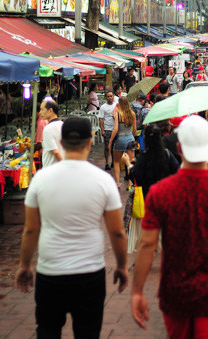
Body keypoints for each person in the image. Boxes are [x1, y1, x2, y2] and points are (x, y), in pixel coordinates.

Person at [130, 116, 208, 337]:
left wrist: (137, 291)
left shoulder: (161, 193)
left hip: (176, 291)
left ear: (179, 148)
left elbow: (147, 244)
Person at [15, 117, 127, 338]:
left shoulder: (41, 179)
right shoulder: (103, 181)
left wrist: (25, 264)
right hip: (89, 273)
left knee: (47, 329)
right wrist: (122, 265)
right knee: (87, 332)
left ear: (61, 142)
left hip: (50, 271)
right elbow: (116, 231)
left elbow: (30, 230)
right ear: (90, 141)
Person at [127, 125, 180, 253]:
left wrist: (129, 164)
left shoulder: (144, 157)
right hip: (166, 196)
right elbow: (178, 172)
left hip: (149, 198)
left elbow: (136, 177)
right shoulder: (167, 154)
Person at [109, 97, 137, 187]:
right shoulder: (132, 113)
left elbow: (116, 129)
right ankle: (130, 183)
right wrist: (131, 135)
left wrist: (110, 141)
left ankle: (117, 183)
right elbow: (135, 129)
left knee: (116, 161)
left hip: (121, 137)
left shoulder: (118, 114)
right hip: (131, 137)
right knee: (130, 161)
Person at [40, 99, 64, 170]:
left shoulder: (48, 129)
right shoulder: (63, 125)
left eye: (42, 109)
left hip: (51, 169)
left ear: (50, 110)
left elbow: (55, 152)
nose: (40, 113)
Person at [98, 90, 119, 170]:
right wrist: (102, 130)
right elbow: (101, 119)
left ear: (113, 97)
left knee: (115, 147)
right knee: (107, 147)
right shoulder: (103, 107)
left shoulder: (116, 106)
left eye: (111, 96)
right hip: (107, 129)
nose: (110, 98)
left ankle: (114, 162)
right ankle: (107, 162)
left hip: (115, 129)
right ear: (106, 97)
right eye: (108, 96)